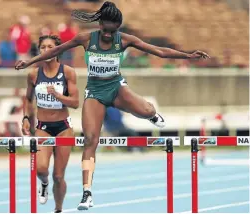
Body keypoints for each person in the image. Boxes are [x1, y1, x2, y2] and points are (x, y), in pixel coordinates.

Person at [15, 1, 210, 210]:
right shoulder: (86, 39)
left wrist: (187, 55)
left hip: (116, 88)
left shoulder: (124, 40)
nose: (109, 35)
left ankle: (151, 115)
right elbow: (56, 50)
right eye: (106, 30)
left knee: (147, 110)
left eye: (113, 30)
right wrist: (29, 61)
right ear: (100, 25)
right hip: (95, 93)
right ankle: (87, 193)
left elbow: (158, 51)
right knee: (90, 140)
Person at [21, 35, 79, 213]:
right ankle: (44, 184)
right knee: (41, 169)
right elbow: (28, 99)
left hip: (63, 128)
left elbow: (75, 102)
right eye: (43, 47)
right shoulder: (33, 74)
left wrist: (58, 96)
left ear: (58, 50)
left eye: (50, 47)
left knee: (59, 176)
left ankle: (58, 209)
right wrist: (25, 118)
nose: (46, 50)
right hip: (43, 128)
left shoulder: (67, 72)